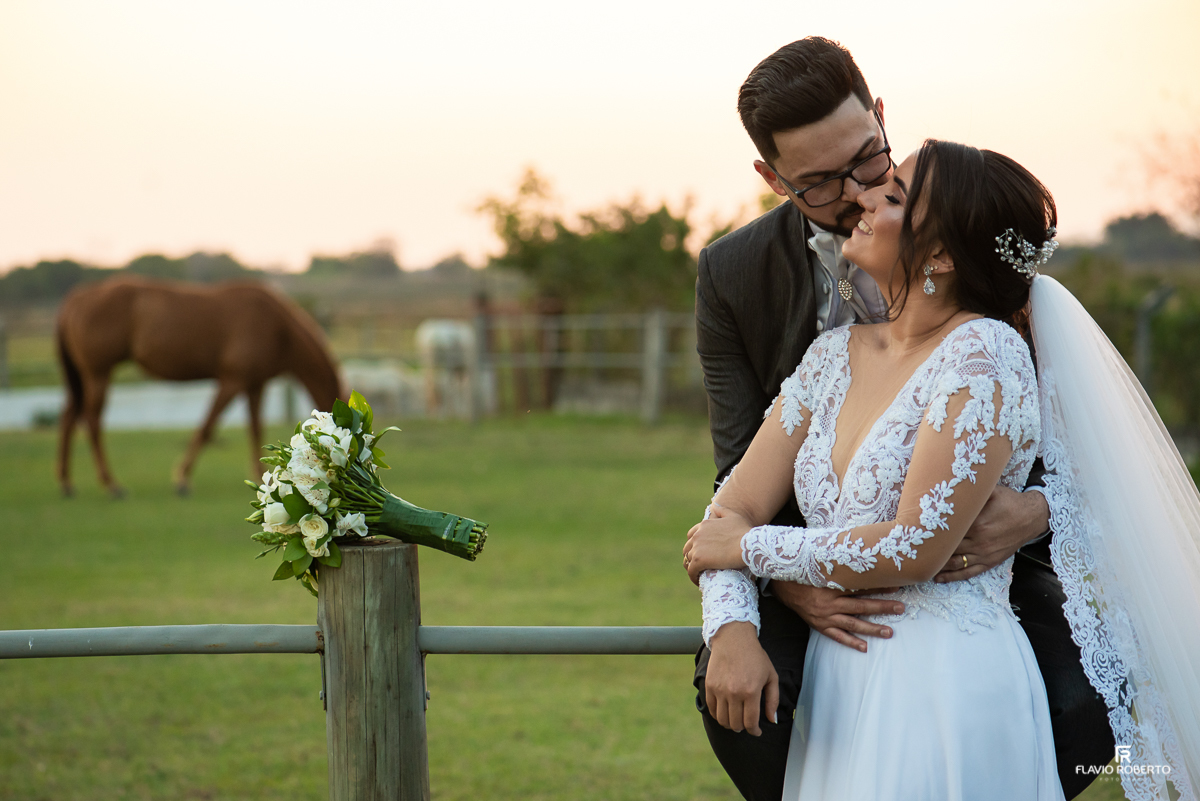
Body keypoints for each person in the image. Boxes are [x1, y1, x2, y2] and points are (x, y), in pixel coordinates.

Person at [686, 139, 1200, 799]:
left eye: (893, 195)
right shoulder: (829, 358)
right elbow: (725, 514)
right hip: (841, 690)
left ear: (940, 254)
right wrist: (730, 621)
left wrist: (752, 549)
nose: (863, 200)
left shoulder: (983, 354)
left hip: (944, 686)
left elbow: (915, 546)